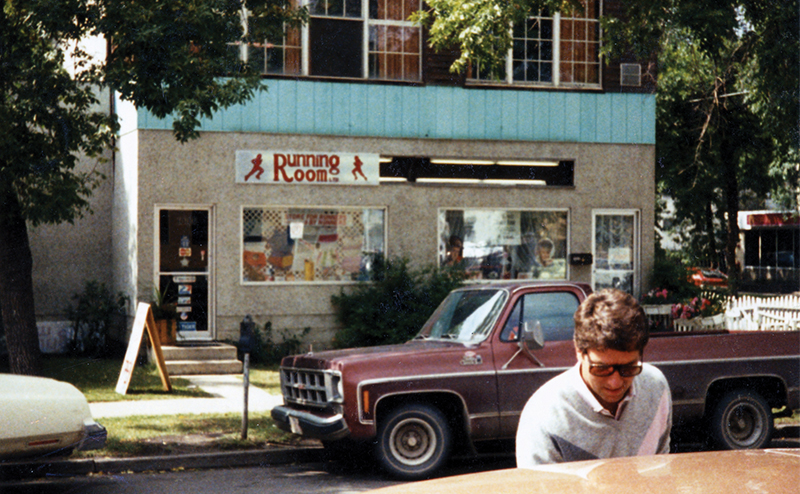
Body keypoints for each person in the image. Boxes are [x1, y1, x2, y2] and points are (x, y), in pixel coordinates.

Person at [515, 288, 672, 467]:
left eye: (628, 368)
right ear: (579, 352)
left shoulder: (656, 387)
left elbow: (661, 468)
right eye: (601, 368)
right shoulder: (544, 413)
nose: (615, 382)